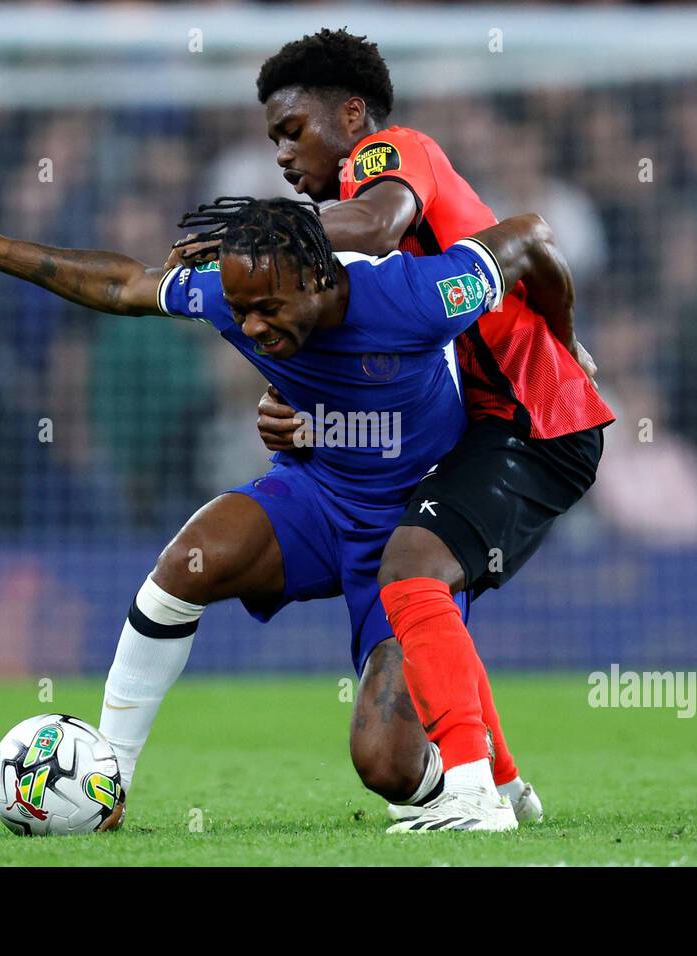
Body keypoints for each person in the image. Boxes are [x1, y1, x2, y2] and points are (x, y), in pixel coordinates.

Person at [0, 187, 572, 830]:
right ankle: (109, 786)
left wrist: (565, 347)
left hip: (416, 526)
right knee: (187, 564)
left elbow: (528, 236)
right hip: (318, 494)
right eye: (240, 312)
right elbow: (124, 285)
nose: (251, 329)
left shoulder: (414, 295)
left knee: (386, 766)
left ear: (317, 277)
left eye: (267, 309)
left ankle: (475, 778)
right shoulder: (233, 290)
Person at [248, 30, 615, 829]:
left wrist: (261, 234)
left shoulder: (385, 154)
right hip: (502, 421)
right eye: (273, 137)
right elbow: (532, 242)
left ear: (351, 114)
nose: (281, 153)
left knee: (411, 564)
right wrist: (566, 333)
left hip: (532, 422)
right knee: (423, 579)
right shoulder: (352, 223)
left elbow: (381, 226)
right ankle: (507, 782)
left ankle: (473, 792)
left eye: (292, 129)